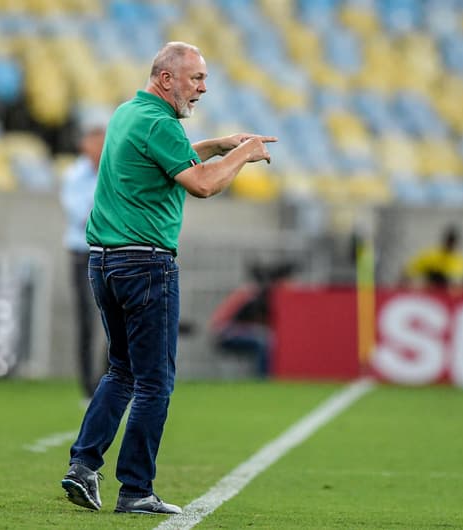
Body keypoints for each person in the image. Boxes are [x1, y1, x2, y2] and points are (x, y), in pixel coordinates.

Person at [60, 41, 276, 515]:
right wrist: (245, 155)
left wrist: (218, 145)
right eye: (195, 78)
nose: (202, 87)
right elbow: (201, 184)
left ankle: (82, 466)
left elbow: (163, 153)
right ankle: (136, 489)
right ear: (165, 79)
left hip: (103, 261)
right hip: (146, 264)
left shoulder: (128, 114)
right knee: (155, 382)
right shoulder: (159, 121)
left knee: (122, 371)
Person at [60, 118, 107, 400]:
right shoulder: (74, 175)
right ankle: (87, 386)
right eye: (96, 141)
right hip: (83, 253)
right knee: (86, 321)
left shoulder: (113, 171)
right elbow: (84, 217)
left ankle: (106, 379)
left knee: (115, 319)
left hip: (108, 253)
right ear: (84, 145)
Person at [402, 225, 463, 289]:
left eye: (452, 242)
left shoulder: (462, 261)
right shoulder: (430, 255)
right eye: (449, 241)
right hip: (430, 292)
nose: (450, 244)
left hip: (450, 296)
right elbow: (409, 271)